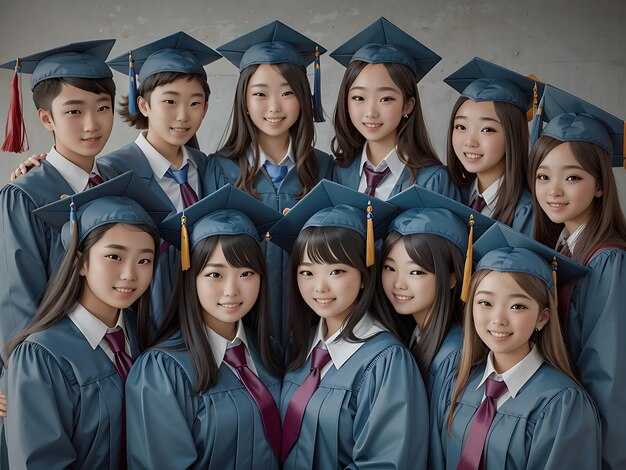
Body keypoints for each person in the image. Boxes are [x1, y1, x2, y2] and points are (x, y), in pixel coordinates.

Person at [0, 40, 118, 465]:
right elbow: (19, 296)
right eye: (74, 111)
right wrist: (22, 376)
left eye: (102, 108)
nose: (92, 123)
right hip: (56, 372)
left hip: (115, 357)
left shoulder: (117, 180)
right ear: (46, 118)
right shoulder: (24, 194)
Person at [3, 172, 169, 469]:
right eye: (114, 257)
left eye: (144, 260)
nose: (130, 274)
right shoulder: (41, 357)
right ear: (80, 261)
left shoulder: (145, 339)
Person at [269, 180, 429, 469]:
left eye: (337, 271)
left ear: (365, 275)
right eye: (307, 272)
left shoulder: (386, 361)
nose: (320, 287)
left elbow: (384, 463)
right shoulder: (306, 348)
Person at [126, 184, 283, 469]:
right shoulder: (162, 370)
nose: (231, 290)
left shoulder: (268, 353)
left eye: (246, 273)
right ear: (191, 278)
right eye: (215, 274)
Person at [213, 21, 334, 349]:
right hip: (243, 323)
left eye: (287, 93)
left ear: (304, 98)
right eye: (260, 94)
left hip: (310, 321)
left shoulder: (325, 168)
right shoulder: (218, 169)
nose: (274, 107)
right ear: (244, 100)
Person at [439, 222, 600, 469]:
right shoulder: (458, 381)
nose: (498, 319)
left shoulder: (562, 404)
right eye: (485, 303)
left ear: (543, 317)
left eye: (517, 306)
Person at [529, 84, 626, 469]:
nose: (553, 191)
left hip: (590, 439)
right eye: (542, 176)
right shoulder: (561, 249)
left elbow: (609, 373)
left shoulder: (608, 260)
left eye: (572, 178)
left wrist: (605, 459)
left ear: (601, 184)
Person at [103, 31, 224, 321]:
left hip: (206, 312)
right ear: (144, 105)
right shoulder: (111, 171)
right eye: (170, 102)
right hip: (144, 315)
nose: (183, 115)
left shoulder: (210, 168)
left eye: (195, 103)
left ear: (206, 108)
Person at [378, 186, 495, 468]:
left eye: (416, 271)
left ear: (453, 278)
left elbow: (439, 446)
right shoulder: (412, 335)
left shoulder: (456, 354)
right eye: (390, 267)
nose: (398, 283)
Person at [331, 17, 460, 202]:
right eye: (359, 98)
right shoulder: (337, 173)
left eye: (386, 99)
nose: (371, 112)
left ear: (408, 105)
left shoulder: (433, 181)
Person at [444, 57, 544, 235]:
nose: (470, 142)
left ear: (513, 135)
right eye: (461, 127)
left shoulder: (527, 211)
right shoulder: (450, 192)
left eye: (487, 129)